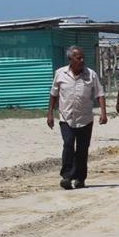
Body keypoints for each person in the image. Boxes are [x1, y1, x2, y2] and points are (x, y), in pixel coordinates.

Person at [47, 47, 107, 189]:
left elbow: (100, 94)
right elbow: (53, 94)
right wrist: (50, 113)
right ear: (70, 59)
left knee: (82, 149)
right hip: (66, 117)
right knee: (68, 145)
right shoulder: (60, 74)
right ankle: (67, 176)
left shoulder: (91, 75)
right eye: (78, 58)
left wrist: (103, 113)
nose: (82, 60)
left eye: (82, 57)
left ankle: (80, 178)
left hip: (85, 118)